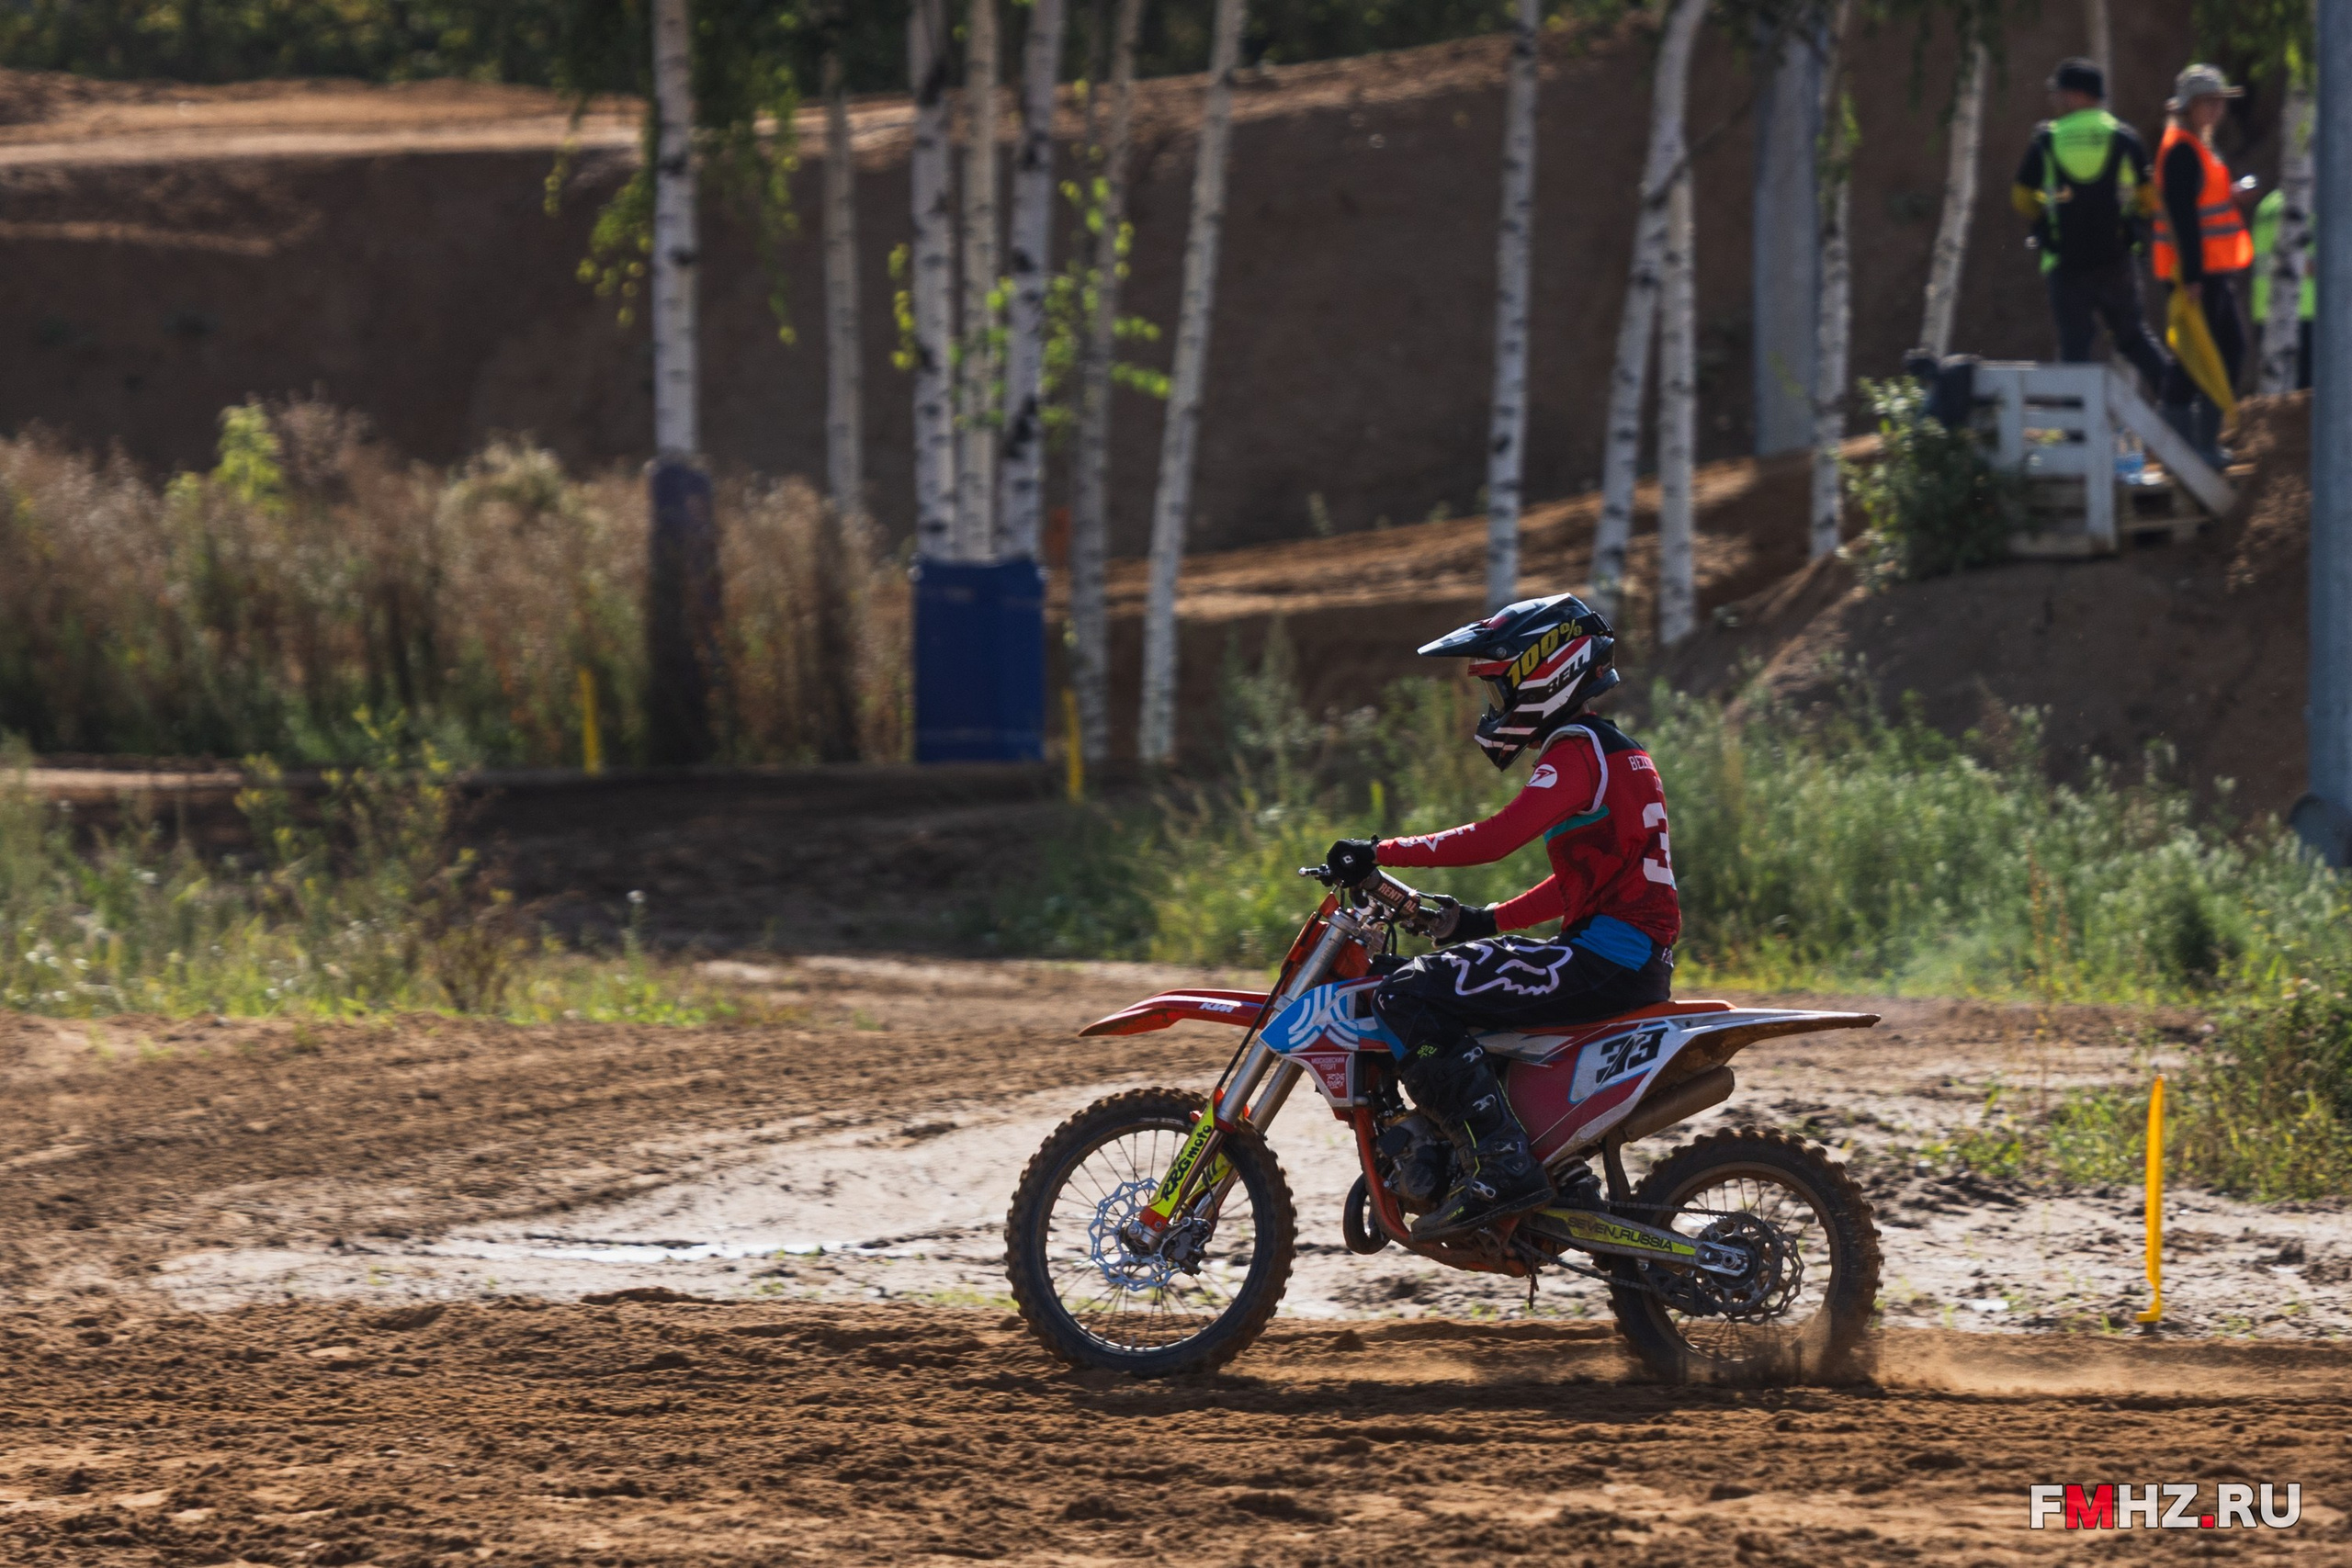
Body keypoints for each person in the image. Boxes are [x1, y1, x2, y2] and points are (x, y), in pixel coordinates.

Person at [1322, 593, 1679, 1242]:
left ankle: (1500, 1162)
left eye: (1499, 687)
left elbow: (1494, 838)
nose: (1493, 707)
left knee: (1406, 990)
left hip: (1606, 960)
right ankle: (1551, 1168)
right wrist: (1486, 923)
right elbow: (1576, 883)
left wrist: (1378, 851)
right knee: (1449, 990)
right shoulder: (1616, 751)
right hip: (1619, 958)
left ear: (1547, 671)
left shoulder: (1577, 750)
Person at [2009, 57, 2169, 396]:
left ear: (2074, 95)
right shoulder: (2125, 138)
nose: (2056, 101)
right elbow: (2150, 198)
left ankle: (2076, 435)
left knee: (2074, 348)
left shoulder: (2048, 139)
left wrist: (2043, 221)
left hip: (2065, 264)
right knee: (2133, 338)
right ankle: (2181, 411)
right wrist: (2133, 221)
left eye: (2059, 94)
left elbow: (2021, 197)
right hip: (2117, 260)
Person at [2154, 63, 2256, 466]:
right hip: (2196, 274)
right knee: (2210, 353)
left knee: (2214, 352)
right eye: (2208, 102)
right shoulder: (2181, 148)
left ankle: (2193, 444)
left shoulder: (2196, 145)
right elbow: (2183, 218)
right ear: (2189, 107)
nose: (2217, 110)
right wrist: (2193, 277)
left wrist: (2231, 194)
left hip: (2212, 271)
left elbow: (2200, 202)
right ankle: (2192, 446)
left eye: (2220, 102)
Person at [2253, 184, 2316, 390]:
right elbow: (2307, 264)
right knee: (2306, 391)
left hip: (2266, 309)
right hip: (2304, 310)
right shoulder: (2308, 207)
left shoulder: (2268, 204)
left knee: (2277, 389)